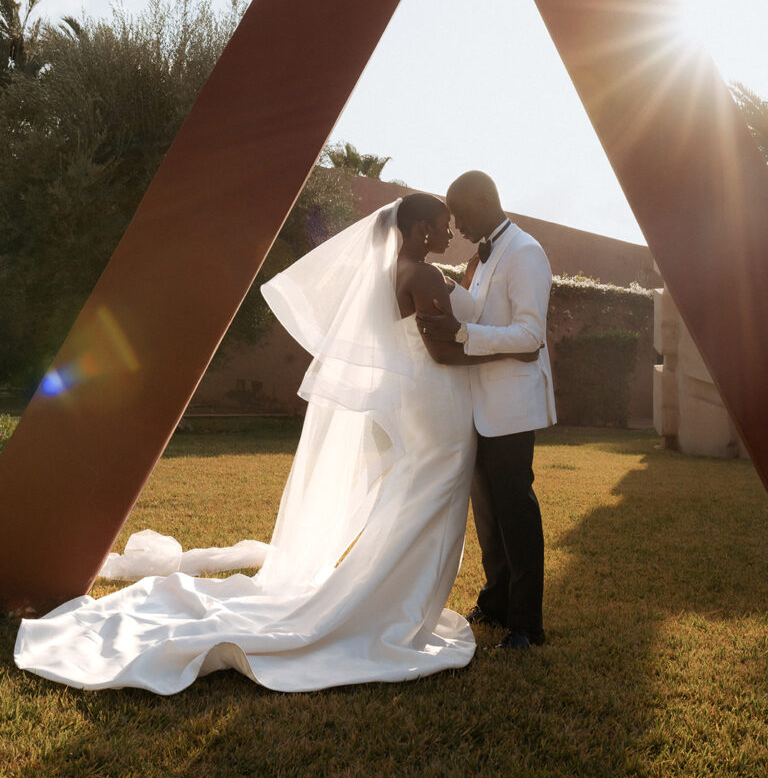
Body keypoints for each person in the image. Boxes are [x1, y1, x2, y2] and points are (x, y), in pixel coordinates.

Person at [14, 195, 536, 694]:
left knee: (415, 498)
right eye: (442, 223)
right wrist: (507, 354)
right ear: (421, 228)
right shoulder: (422, 274)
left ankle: (391, 596)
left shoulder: (393, 272)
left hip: (421, 404)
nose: (448, 231)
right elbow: (443, 355)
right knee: (432, 500)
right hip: (440, 404)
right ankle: (392, 609)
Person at [417, 171, 555, 650]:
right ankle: (496, 602)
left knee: (516, 512)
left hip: (511, 407)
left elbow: (529, 337)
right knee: (488, 513)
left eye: (461, 211)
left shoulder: (527, 252)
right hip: (476, 406)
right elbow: (478, 310)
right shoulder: (485, 256)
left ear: (484, 199)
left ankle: (527, 623)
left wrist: (461, 335)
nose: (456, 222)